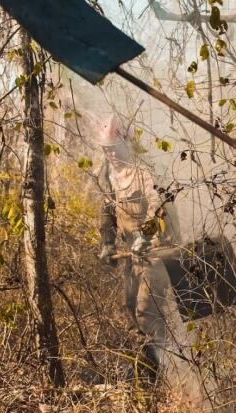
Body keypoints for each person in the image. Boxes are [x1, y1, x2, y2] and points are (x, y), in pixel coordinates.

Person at [94, 114, 172, 383]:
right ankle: (145, 368)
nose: (111, 155)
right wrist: (106, 241)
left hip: (152, 256)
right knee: (128, 308)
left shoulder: (142, 172)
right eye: (107, 150)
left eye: (115, 148)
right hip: (129, 257)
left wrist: (145, 235)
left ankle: (155, 376)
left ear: (125, 145)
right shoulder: (109, 177)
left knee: (146, 312)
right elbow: (107, 212)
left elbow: (158, 206)